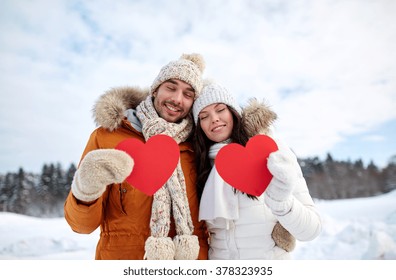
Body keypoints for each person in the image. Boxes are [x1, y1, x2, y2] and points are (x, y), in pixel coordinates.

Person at [64, 53, 209, 260]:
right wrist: (85, 190)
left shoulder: (199, 144)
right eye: (171, 87)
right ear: (155, 89)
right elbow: (81, 226)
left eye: (188, 94)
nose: (177, 99)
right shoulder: (107, 138)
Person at [192, 79, 322, 259]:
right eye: (203, 116)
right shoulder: (201, 166)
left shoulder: (271, 152)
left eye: (220, 109)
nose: (214, 118)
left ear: (233, 112)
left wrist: (281, 202)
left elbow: (312, 230)